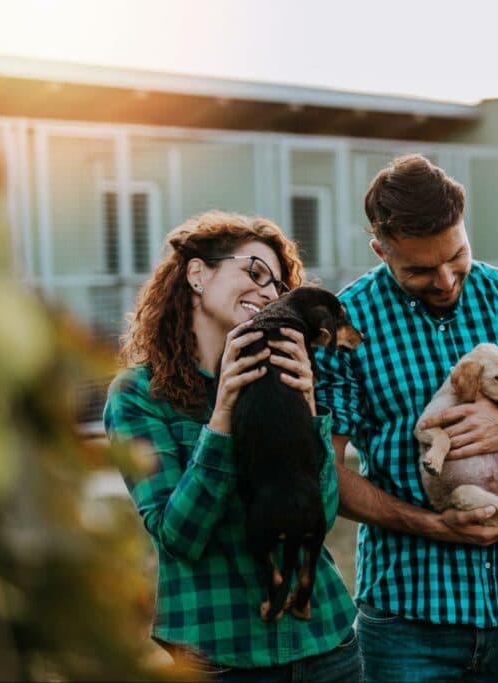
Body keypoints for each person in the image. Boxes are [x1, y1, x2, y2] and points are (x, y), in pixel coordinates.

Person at [313, 154, 498, 682]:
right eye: (419, 269)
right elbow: (323, 472)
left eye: (457, 255)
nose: (445, 280)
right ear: (380, 250)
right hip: (407, 620)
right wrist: (433, 525)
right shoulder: (345, 327)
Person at [103, 210, 361, 682]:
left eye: (279, 287)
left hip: (327, 646)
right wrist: (221, 421)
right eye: (255, 272)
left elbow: (319, 519)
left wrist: (306, 410)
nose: (268, 292)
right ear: (198, 274)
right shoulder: (139, 395)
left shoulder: (289, 375)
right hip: (223, 656)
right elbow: (180, 537)